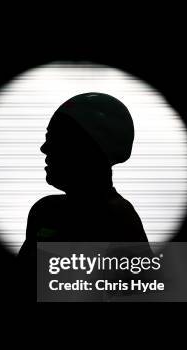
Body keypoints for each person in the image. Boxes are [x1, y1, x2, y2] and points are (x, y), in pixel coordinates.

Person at [19, 93, 149, 263]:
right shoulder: (44, 211)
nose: (44, 148)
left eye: (56, 138)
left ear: (89, 149)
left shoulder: (118, 221)